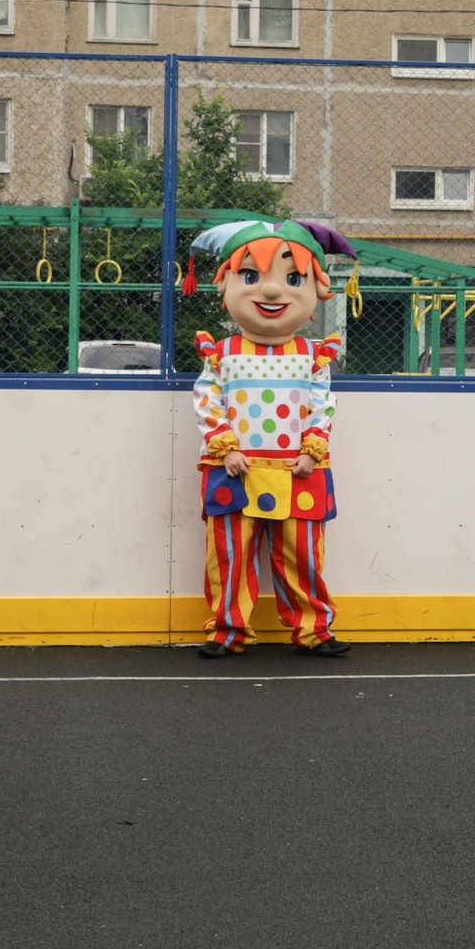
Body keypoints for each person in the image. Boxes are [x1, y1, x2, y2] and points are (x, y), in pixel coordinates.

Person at [188, 218, 353, 657]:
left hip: (298, 470)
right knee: (228, 557)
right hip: (233, 470)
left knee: (302, 558)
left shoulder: (313, 356)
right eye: (250, 276)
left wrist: (312, 451)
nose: (273, 291)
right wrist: (224, 446)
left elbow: (324, 406)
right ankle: (227, 631)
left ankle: (314, 630)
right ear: (224, 286)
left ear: (317, 288)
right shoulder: (220, 354)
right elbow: (207, 400)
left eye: (293, 278)